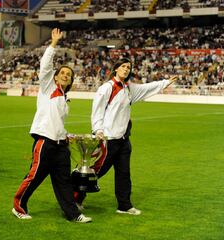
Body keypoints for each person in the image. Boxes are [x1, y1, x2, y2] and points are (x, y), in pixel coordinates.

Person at [74, 57, 178, 215]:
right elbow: (97, 110)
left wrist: (165, 82)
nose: (126, 69)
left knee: (124, 174)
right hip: (108, 140)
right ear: (116, 69)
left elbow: (146, 88)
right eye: (123, 66)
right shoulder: (107, 88)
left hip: (123, 141)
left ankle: (124, 205)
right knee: (96, 171)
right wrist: (98, 130)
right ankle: (75, 198)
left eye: (128, 67)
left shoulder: (129, 88)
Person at [12, 28, 92, 223]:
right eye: (62, 73)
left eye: (69, 75)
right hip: (44, 143)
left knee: (63, 182)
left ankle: (73, 214)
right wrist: (54, 44)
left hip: (60, 145)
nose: (65, 75)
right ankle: (19, 206)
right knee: (34, 177)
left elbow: (58, 122)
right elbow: (45, 66)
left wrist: (66, 134)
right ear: (55, 77)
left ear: (72, 81)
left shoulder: (64, 98)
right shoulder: (48, 87)